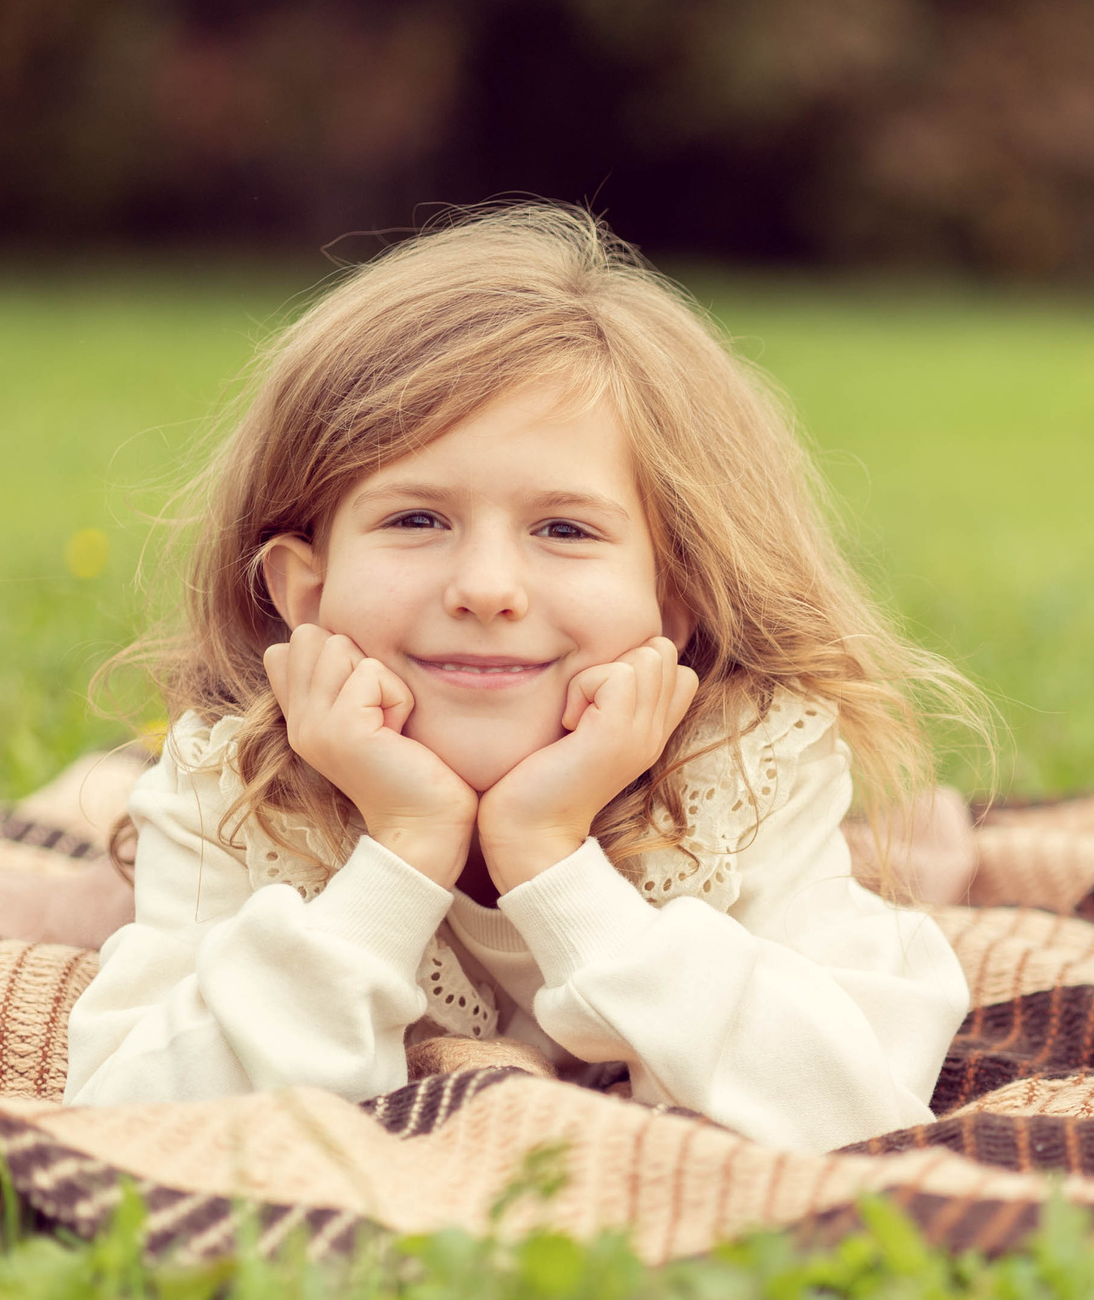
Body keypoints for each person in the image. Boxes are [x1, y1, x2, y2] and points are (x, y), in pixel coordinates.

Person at [61, 204, 977, 1153]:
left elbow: (854, 1102)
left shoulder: (745, 772)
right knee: (103, 856)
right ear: (307, 589)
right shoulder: (237, 791)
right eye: (417, 519)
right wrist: (405, 850)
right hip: (289, 807)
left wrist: (552, 859)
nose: (488, 588)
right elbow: (137, 1113)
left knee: (897, 880)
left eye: (565, 529)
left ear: (673, 608)